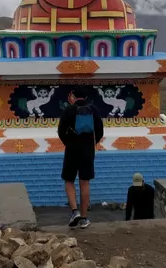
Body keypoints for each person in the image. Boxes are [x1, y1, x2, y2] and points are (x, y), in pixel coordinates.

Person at [57, 86, 104, 229]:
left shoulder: (69, 110)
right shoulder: (93, 110)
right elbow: (100, 131)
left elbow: (60, 131)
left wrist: (68, 142)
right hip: (87, 150)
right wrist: (91, 143)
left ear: (73, 96)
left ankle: (74, 211)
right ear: (86, 97)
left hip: (72, 149)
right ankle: (84, 218)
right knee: (85, 182)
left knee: (69, 180)